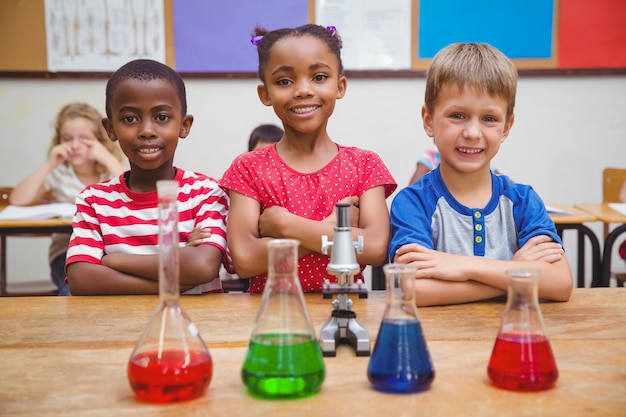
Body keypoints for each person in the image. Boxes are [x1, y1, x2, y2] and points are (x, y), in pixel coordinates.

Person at [389, 42, 573, 306]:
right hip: (440, 345)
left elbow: (560, 283)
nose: (473, 133)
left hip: (512, 341)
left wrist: (463, 267)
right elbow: (412, 290)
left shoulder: (523, 201)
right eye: (458, 115)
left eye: (489, 119)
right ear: (428, 120)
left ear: (506, 127)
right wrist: (516, 275)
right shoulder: (412, 203)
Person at [220, 24, 397, 293]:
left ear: (340, 86)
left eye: (319, 77)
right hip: (272, 319)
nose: (303, 90)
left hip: (348, 313)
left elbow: (373, 248)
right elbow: (245, 260)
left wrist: (286, 225)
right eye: (284, 81)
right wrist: (335, 230)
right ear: (265, 94)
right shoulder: (248, 168)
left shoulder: (365, 165)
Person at [65, 59, 232, 295]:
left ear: (184, 126)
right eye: (130, 119)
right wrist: (176, 275)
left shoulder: (204, 192)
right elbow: (81, 279)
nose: (146, 131)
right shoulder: (94, 200)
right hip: (120, 329)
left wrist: (114, 261)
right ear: (110, 129)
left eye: (161, 117)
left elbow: (201, 266)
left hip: (197, 327)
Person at [9, 102, 125, 296]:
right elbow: (18, 200)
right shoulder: (60, 175)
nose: (74, 145)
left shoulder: (109, 174)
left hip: (108, 253)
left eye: (84, 139)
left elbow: (130, 195)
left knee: (114, 289)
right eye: (67, 138)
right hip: (66, 254)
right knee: (74, 289)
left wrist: (107, 157)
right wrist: (49, 165)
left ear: (99, 140)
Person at [408, 146, 503, 185]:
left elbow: (507, 185)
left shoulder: (480, 164)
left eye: (488, 119)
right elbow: (413, 187)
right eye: (456, 116)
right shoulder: (431, 157)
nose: (472, 134)